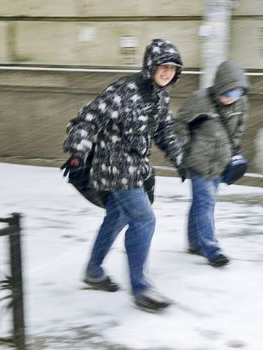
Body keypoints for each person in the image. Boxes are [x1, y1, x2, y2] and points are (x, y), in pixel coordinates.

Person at [61, 39, 186, 312]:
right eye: (163, 66)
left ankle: (93, 271)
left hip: (136, 168)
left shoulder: (160, 96)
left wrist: (179, 158)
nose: (167, 72)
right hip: (113, 168)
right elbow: (86, 119)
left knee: (116, 218)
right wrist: (77, 151)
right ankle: (141, 288)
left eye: (173, 68)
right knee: (144, 219)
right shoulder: (123, 90)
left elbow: (164, 131)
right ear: (150, 66)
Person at [175, 60, 249, 267]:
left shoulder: (241, 102)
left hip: (220, 162)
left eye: (235, 93)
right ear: (219, 87)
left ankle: (193, 243)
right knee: (206, 202)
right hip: (199, 161)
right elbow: (179, 125)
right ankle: (211, 249)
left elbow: (240, 126)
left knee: (202, 202)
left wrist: (233, 147)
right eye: (227, 93)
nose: (230, 98)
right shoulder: (199, 100)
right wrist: (185, 149)